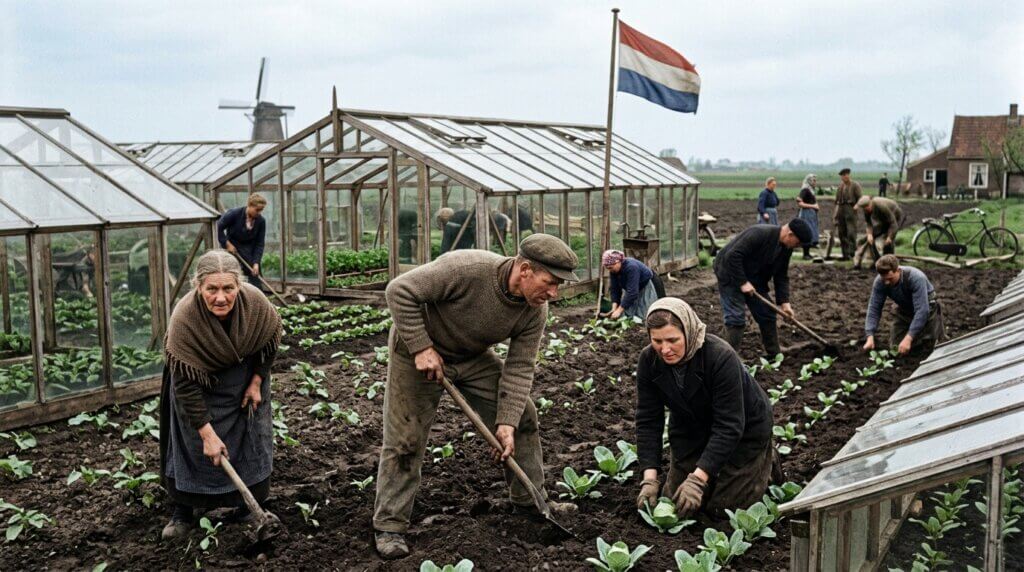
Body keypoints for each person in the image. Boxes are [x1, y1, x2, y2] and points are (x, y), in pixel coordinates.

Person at [373, 233, 580, 559]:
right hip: (417, 353)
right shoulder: (467, 269)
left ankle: (529, 501)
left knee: (523, 415)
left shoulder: (534, 311)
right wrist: (422, 347)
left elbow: (520, 366)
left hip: (470, 357)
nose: (553, 293)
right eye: (550, 282)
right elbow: (399, 290)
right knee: (406, 439)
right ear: (525, 269)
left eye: (559, 285)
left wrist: (506, 423)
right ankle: (389, 525)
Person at [159, 250, 282, 540]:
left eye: (228, 288)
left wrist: (256, 382)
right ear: (198, 287)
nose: (221, 297)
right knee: (191, 445)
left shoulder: (256, 304)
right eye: (211, 289)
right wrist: (207, 434)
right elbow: (185, 386)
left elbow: (270, 339)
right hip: (196, 383)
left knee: (251, 438)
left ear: (239, 286)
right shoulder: (184, 318)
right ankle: (184, 509)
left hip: (243, 381)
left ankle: (249, 506)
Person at [634, 298, 778, 519]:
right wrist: (650, 478)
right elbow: (648, 420)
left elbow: (729, 426)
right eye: (657, 341)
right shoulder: (648, 361)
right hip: (691, 427)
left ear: (688, 332)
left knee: (723, 511)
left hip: (744, 429)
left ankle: (763, 462)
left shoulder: (719, 356)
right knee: (677, 502)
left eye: (673, 340)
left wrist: (697, 480)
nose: (665, 349)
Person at [713, 219, 814, 357]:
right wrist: (743, 282)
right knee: (736, 318)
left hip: (755, 278)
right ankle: (726, 359)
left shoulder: (785, 248)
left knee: (767, 313)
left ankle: (774, 353)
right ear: (790, 234)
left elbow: (781, 275)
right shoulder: (759, 233)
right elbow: (733, 255)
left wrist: (785, 304)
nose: (796, 247)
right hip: (729, 273)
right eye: (797, 243)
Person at [863, 255, 944, 356]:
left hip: (928, 309)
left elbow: (922, 311)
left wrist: (908, 338)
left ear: (898, 270)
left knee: (929, 349)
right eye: (884, 279)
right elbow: (874, 308)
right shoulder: (880, 282)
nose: (886, 282)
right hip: (904, 310)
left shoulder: (916, 278)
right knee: (896, 348)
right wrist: (870, 335)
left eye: (890, 278)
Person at [217, 194, 268, 285]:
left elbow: (259, 244)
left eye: (261, 210)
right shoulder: (234, 214)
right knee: (235, 280)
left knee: (255, 280)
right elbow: (218, 227)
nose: (259, 212)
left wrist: (256, 262)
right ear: (250, 205)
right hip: (233, 251)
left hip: (250, 254)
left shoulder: (261, 221)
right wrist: (227, 244)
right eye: (257, 210)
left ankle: (255, 296)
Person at [600, 250, 665, 320]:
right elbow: (615, 289)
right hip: (635, 287)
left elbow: (632, 292)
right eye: (607, 268)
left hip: (649, 284)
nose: (609, 270)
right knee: (629, 314)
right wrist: (614, 308)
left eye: (610, 267)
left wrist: (619, 310)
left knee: (648, 315)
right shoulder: (613, 270)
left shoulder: (631, 267)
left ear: (618, 262)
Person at [854, 195, 905, 265]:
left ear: (871, 202)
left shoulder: (881, 206)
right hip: (883, 221)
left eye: (868, 207)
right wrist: (869, 234)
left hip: (895, 217)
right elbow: (868, 223)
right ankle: (877, 260)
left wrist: (890, 237)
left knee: (888, 243)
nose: (867, 209)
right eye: (865, 208)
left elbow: (893, 223)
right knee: (869, 239)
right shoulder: (866, 210)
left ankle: (889, 263)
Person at [834, 168, 863, 260]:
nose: (844, 177)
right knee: (842, 233)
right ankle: (845, 255)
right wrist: (835, 215)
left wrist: (857, 205)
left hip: (851, 210)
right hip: (841, 210)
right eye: (842, 175)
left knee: (851, 233)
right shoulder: (840, 187)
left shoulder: (855, 185)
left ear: (849, 175)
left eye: (846, 175)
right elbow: (837, 202)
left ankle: (852, 254)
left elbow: (860, 199)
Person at [796, 174, 820, 260]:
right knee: (807, 232)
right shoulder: (805, 189)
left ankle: (808, 253)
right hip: (806, 213)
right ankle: (805, 254)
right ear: (809, 180)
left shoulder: (811, 190)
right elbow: (799, 203)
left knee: (811, 232)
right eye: (813, 180)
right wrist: (813, 206)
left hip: (811, 214)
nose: (815, 182)